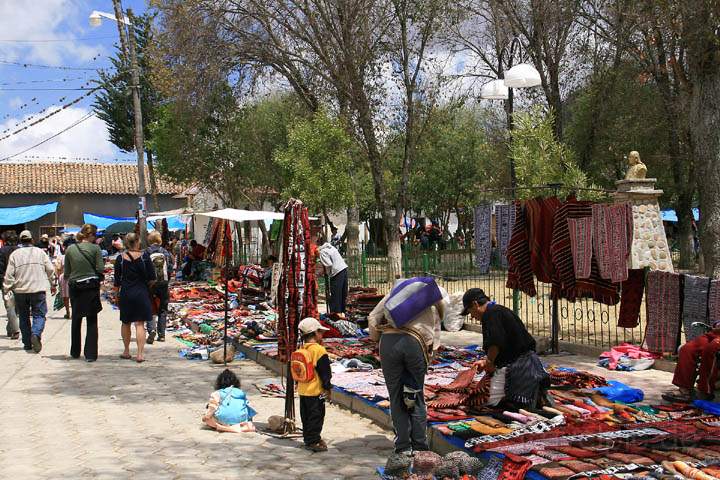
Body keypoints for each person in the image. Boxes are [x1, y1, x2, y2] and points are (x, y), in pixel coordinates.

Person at [368, 277, 447, 455]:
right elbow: (436, 329)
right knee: (416, 395)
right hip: (415, 343)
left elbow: (373, 318)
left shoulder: (392, 296)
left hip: (388, 342)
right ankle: (419, 446)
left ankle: (403, 446)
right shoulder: (430, 299)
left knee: (395, 395)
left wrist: (376, 338)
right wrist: (432, 351)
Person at [462, 288, 548, 407]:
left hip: (520, 366)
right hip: (523, 361)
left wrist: (489, 362)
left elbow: (495, 343)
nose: (472, 316)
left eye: (470, 311)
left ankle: (526, 395)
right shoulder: (497, 311)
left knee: (483, 400)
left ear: (475, 304)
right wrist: (486, 361)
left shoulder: (491, 314)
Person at [3, 230, 56, 353]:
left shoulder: (15, 255)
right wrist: (53, 283)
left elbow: (9, 275)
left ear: (20, 241)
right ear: (32, 240)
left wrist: (7, 288)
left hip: (20, 291)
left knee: (23, 316)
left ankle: (27, 343)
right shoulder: (40, 252)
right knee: (39, 314)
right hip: (38, 290)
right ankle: (36, 334)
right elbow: (50, 269)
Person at [65, 224, 104, 362]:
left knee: (76, 318)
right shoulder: (95, 248)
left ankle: (75, 351)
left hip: (75, 286)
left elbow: (67, 272)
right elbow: (100, 268)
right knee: (92, 319)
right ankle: (90, 354)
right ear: (92, 235)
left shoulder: (70, 249)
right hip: (91, 287)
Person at [114, 233, 156, 363]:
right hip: (141, 293)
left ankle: (126, 351)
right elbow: (152, 278)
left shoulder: (120, 259)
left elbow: (116, 281)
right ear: (137, 242)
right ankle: (139, 354)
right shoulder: (145, 257)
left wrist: (116, 296)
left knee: (125, 322)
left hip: (126, 293)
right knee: (140, 324)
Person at [294, 317, 333, 452]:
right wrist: (328, 389)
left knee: (306, 416)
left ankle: (308, 438)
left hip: (303, 390)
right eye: (321, 332)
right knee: (316, 416)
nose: (322, 335)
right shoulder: (319, 350)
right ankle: (313, 440)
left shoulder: (301, 348)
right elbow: (325, 372)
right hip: (316, 391)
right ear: (315, 333)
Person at [663, 323, 720, 402]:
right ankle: (684, 390)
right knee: (687, 349)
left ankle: (705, 390)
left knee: (711, 349)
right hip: (716, 332)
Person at [202, 369, 257, 433]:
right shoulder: (240, 392)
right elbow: (246, 406)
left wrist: (205, 417)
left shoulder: (217, 393)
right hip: (241, 420)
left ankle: (223, 427)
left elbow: (212, 408)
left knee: (208, 418)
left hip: (222, 421)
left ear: (219, 383)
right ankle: (240, 426)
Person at [145, 231, 173, 344]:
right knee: (163, 309)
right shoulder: (166, 252)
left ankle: (151, 329)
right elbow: (170, 268)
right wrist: (167, 280)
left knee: (150, 307)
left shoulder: (146, 252)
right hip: (163, 284)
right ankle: (162, 335)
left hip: (151, 284)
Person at [318, 238, 349, 316]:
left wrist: (326, 273)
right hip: (343, 269)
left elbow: (328, 264)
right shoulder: (331, 247)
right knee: (342, 293)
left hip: (337, 272)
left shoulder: (322, 252)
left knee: (336, 294)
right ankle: (343, 312)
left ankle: (336, 314)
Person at [0, 231, 20, 339]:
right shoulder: (20, 251)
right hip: (19, 282)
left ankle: (14, 330)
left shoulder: (1, 251)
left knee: (9, 306)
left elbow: (0, 269)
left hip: (6, 282)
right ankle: (11, 328)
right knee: (15, 307)